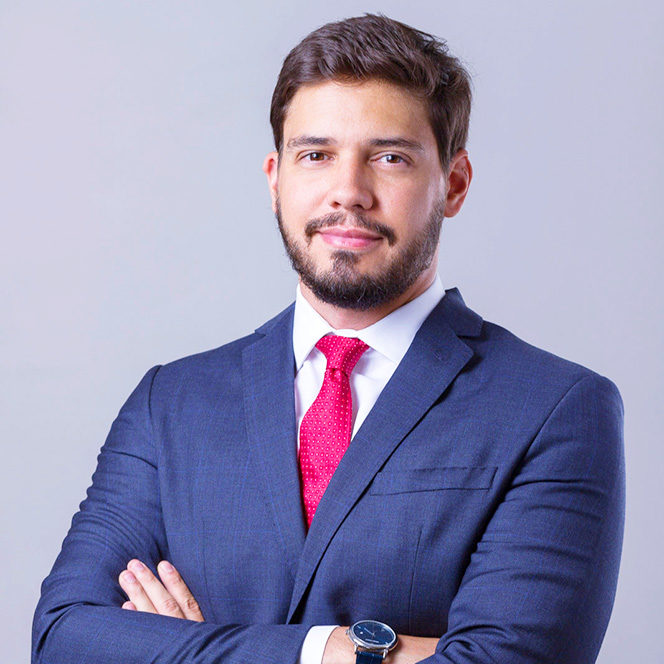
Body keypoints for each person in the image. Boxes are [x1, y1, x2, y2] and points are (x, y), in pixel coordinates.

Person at [32, 13, 625, 664]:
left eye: (390, 158)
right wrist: (334, 649)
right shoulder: (170, 402)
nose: (349, 192)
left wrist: (178, 650)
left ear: (453, 185)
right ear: (275, 179)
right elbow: (64, 637)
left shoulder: (554, 409)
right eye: (316, 155)